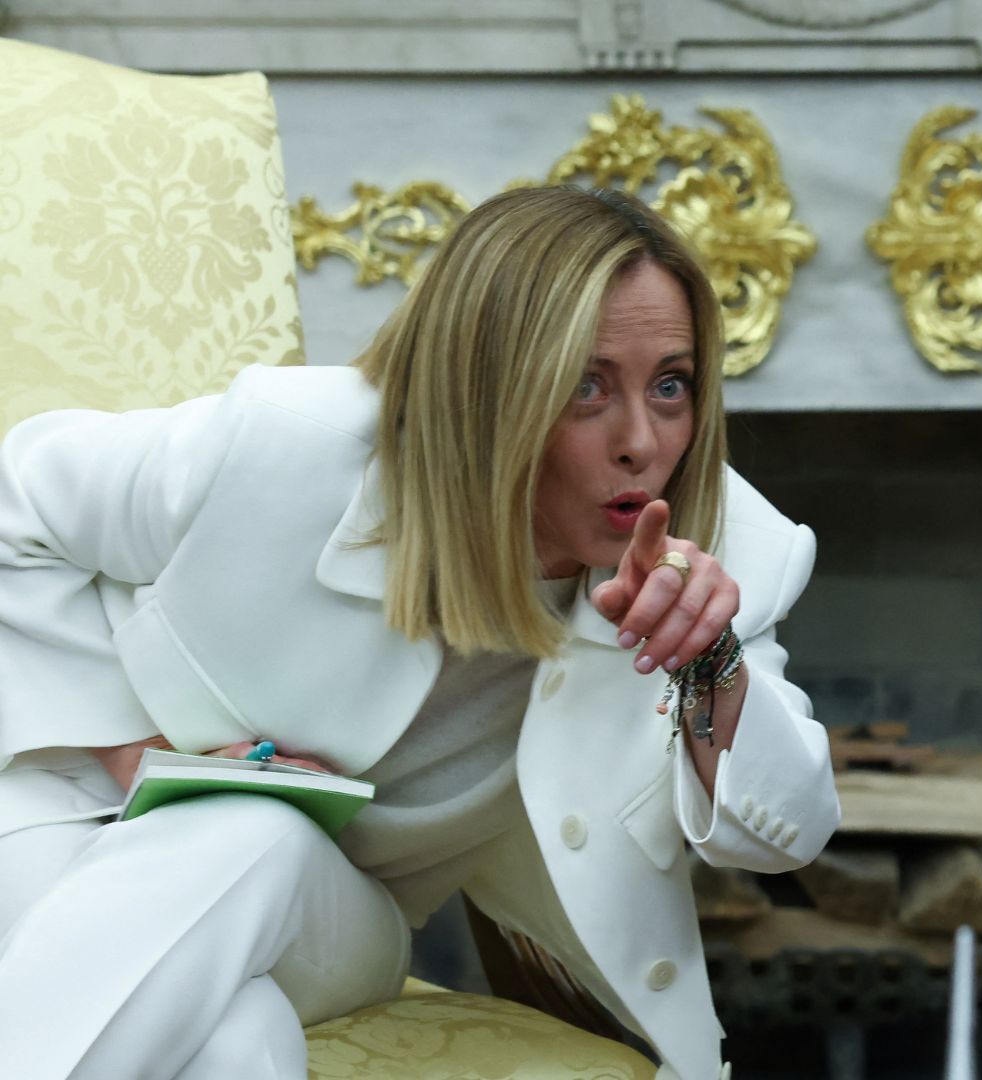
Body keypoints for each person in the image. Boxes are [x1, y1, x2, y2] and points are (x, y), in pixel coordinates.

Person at [0, 185, 838, 1080]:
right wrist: (131, 748)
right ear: (483, 388)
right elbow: (17, 503)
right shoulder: (290, 443)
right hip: (65, 820)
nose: (641, 440)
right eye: (585, 386)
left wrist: (711, 663)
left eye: (670, 385)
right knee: (236, 1046)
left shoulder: (726, 551)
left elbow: (781, 835)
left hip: (334, 913)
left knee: (253, 832)